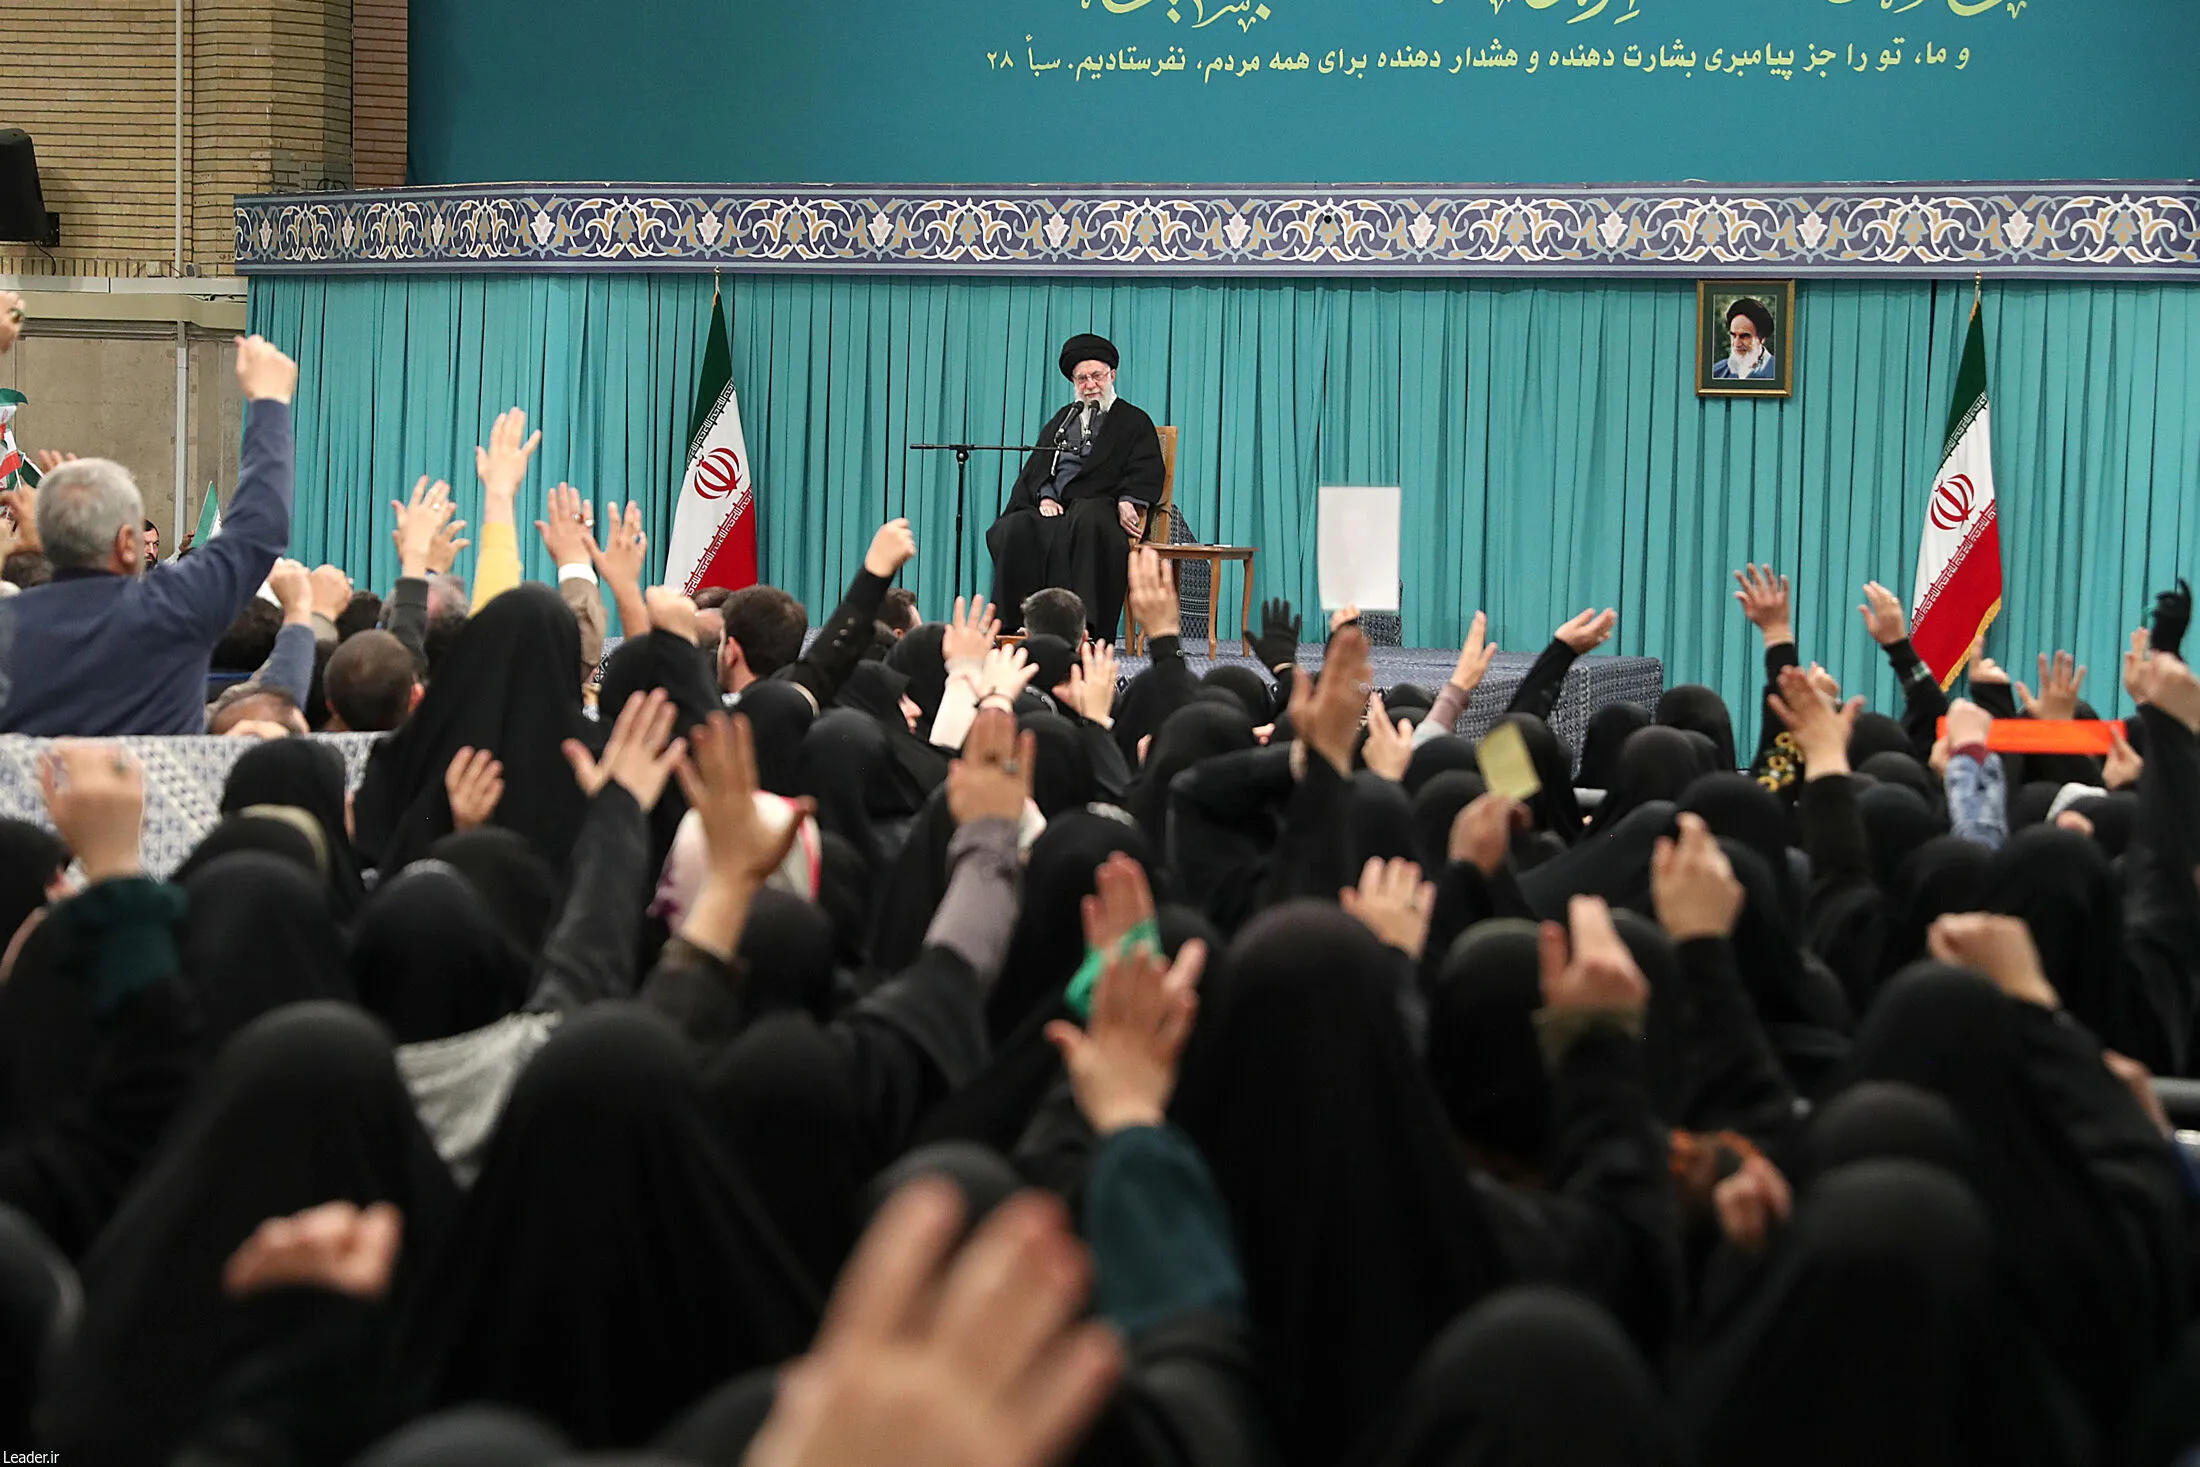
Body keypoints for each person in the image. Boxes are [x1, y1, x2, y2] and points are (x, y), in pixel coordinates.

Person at [0, 335, 295, 735]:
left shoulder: (9, 625)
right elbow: (259, 528)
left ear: (42, 539)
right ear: (126, 544)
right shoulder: (173, 606)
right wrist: (270, 403)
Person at [988, 334, 1164, 642]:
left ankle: (1086, 628)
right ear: (1074, 382)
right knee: (1015, 527)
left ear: (1112, 375)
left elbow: (1145, 467)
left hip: (1101, 506)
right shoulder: (1063, 419)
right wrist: (1045, 495)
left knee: (1088, 517)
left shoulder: (1133, 420)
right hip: (1056, 507)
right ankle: (1014, 626)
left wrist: (1129, 500)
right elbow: (1037, 467)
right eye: (1082, 379)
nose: (1090, 384)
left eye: (1097, 376)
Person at [1710, 298, 1778, 381]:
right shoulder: (1716, 372)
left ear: (1762, 338)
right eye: (1733, 335)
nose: (1736, 344)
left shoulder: (1779, 373)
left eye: (1744, 336)